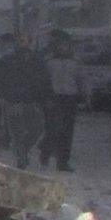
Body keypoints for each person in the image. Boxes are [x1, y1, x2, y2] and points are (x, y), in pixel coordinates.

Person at [0, 32, 52, 170]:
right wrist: (1, 96)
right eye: (19, 41)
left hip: (32, 100)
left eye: (23, 40)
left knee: (37, 129)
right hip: (13, 100)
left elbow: (45, 80)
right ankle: (21, 157)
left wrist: (46, 97)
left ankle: (23, 149)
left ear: (29, 41)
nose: (21, 43)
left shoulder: (37, 60)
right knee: (16, 132)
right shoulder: (7, 60)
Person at [41, 33, 82, 172]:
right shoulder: (49, 62)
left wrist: (85, 96)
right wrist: (45, 98)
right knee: (53, 129)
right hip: (54, 98)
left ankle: (63, 162)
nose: (63, 48)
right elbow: (44, 82)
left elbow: (81, 79)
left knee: (67, 132)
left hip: (70, 98)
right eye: (60, 45)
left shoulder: (75, 62)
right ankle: (45, 151)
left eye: (65, 45)